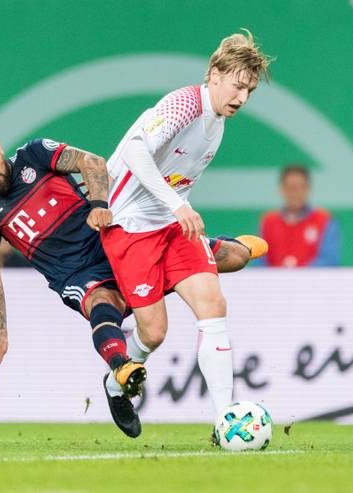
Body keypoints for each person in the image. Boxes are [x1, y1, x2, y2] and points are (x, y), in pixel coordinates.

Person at [0, 132, 267, 439]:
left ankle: (227, 245)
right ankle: (120, 367)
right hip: (77, 274)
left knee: (235, 258)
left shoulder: (34, 155)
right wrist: (1, 331)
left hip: (114, 244)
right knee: (103, 303)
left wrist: (98, 205)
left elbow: (92, 161)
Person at [100, 30, 271, 437]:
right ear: (214, 74)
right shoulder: (184, 104)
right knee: (153, 333)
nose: (242, 97)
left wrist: (177, 211)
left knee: (213, 305)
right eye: (237, 85)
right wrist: (177, 205)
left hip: (172, 228)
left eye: (249, 90)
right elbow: (135, 151)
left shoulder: (218, 122)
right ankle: (114, 385)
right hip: (130, 228)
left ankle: (225, 421)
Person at [259, 164, 342, 267]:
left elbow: (329, 261)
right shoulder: (268, 222)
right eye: (290, 187)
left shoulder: (325, 220)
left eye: (300, 187)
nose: (295, 193)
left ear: (308, 189)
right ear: (281, 189)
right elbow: (259, 262)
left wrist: (297, 274)